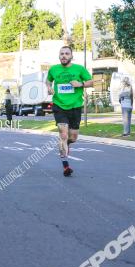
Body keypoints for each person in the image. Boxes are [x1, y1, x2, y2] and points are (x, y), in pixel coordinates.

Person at [46, 45, 93, 177]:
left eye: (67, 54)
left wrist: (81, 84)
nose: (64, 56)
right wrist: (49, 88)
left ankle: (65, 144)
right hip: (59, 105)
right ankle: (66, 166)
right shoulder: (53, 69)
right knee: (63, 134)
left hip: (75, 107)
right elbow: (48, 81)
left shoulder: (79, 69)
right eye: (62, 54)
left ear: (71, 56)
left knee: (72, 137)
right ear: (59, 56)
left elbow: (91, 81)